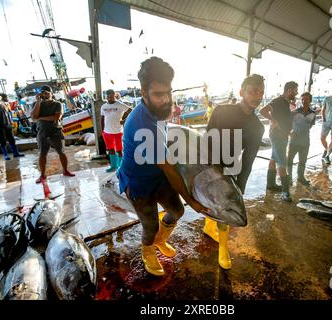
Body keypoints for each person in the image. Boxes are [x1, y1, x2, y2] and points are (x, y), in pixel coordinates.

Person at [117, 57, 208, 276]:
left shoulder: (157, 110)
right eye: (159, 94)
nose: (166, 99)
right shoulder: (142, 123)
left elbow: (166, 135)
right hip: (138, 184)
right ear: (143, 92)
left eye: (168, 92)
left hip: (156, 177)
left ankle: (160, 241)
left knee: (176, 211)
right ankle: (148, 250)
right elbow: (169, 168)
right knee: (150, 225)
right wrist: (193, 200)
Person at [203, 74, 265, 269]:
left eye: (261, 92)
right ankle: (207, 226)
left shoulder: (257, 127)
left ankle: (223, 247)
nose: (258, 96)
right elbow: (207, 136)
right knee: (205, 201)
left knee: (225, 208)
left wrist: (241, 187)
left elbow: (248, 161)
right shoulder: (221, 111)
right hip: (208, 164)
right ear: (242, 92)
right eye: (253, 91)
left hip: (230, 169)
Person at [260, 81, 298, 202]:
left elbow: (285, 118)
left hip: (283, 134)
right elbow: (263, 111)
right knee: (282, 162)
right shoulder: (277, 101)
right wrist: (273, 120)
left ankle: (270, 184)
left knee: (274, 158)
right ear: (289, 90)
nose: (297, 92)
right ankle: (286, 192)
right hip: (277, 135)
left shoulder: (287, 103)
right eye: (295, 90)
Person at [31, 85, 75, 183]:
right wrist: (38, 101)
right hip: (42, 133)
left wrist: (41, 118)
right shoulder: (36, 103)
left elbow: (57, 117)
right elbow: (33, 117)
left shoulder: (57, 104)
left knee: (61, 152)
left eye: (47, 92)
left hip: (56, 132)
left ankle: (66, 170)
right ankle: (42, 175)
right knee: (42, 154)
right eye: (42, 93)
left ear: (51, 93)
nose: (44, 94)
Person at [287, 92, 316, 186]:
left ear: (310, 100)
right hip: (294, 141)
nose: (304, 101)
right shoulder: (294, 112)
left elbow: (310, 126)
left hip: (305, 141)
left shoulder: (313, 113)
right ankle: (289, 177)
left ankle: (300, 177)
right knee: (289, 160)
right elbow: (287, 124)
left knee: (302, 161)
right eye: (302, 99)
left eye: (306, 99)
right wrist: (289, 132)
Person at [101, 89, 131, 172]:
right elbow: (102, 118)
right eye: (108, 97)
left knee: (119, 150)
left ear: (114, 95)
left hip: (118, 132)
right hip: (107, 132)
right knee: (111, 150)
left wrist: (124, 120)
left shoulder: (120, 105)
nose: (110, 98)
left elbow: (131, 111)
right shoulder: (103, 106)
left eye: (111, 97)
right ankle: (113, 166)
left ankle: (121, 167)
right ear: (106, 97)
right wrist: (102, 130)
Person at [0, 92, 24, 160]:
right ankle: (5, 155)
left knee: (12, 140)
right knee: (2, 141)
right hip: (0, 127)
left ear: (1, 97)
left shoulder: (5, 104)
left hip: (8, 126)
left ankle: (16, 153)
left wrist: (11, 123)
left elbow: (9, 114)